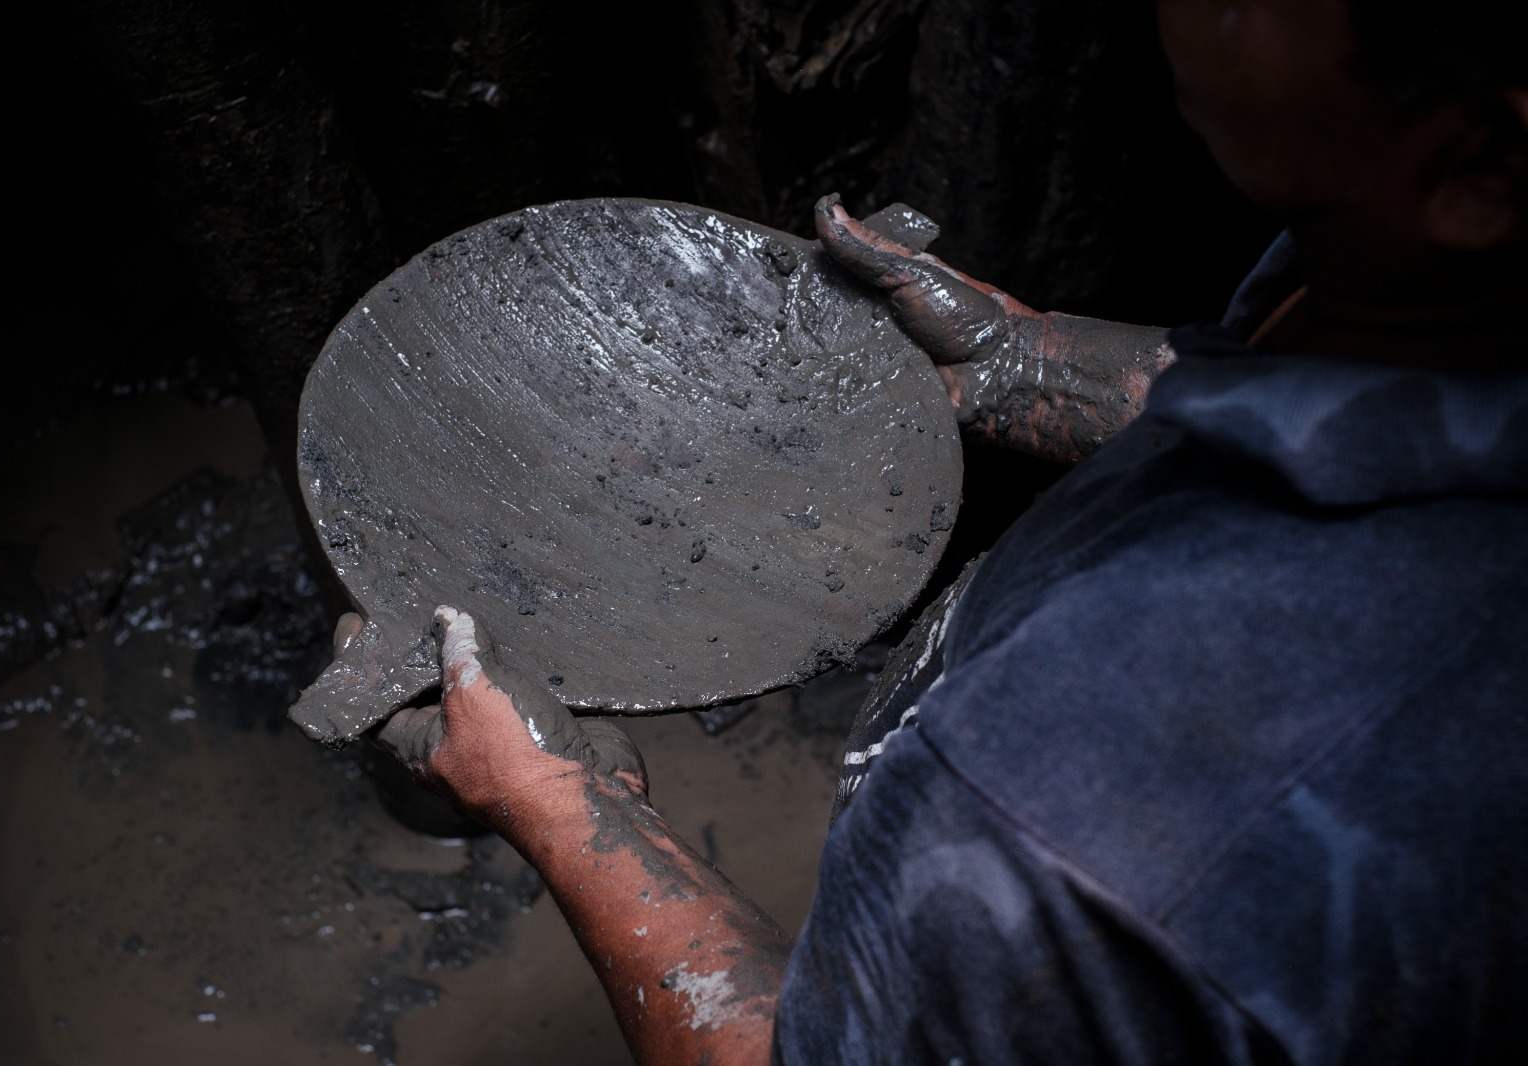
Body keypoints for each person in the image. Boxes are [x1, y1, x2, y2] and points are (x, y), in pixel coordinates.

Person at [357, 1, 1526, 1062]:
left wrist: (565, 802)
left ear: (1480, 171)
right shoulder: (1408, 264)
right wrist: (1030, 362)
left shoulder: (1080, 802)